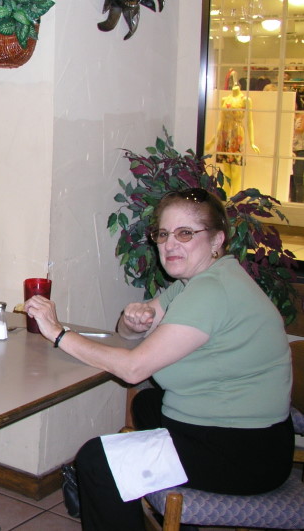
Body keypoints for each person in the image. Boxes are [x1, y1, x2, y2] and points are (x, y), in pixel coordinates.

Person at [25, 188, 293, 531]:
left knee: (96, 461)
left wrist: (57, 333)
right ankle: (159, 494)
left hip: (244, 453)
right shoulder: (197, 281)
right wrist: (133, 319)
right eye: (163, 234)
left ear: (217, 240)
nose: (170, 245)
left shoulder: (211, 291)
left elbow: (133, 369)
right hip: (245, 433)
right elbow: (128, 332)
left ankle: (135, 489)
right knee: (150, 404)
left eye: (185, 233)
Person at [205, 73, 260, 197]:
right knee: (226, 169)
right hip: (224, 134)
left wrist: (252, 142)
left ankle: (234, 197)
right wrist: (213, 140)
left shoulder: (245, 100)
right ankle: (225, 195)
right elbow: (221, 121)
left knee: (236, 169)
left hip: (237, 134)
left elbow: (249, 121)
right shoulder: (225, 100)